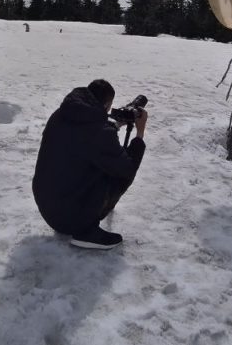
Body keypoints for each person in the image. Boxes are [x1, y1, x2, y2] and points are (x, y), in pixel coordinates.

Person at [32, 79, 147, 250]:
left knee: (98, 163)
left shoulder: (62, 113)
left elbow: (83, 141)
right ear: (107, 104)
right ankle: (86, 231)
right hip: (68, 219)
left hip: (46, 205)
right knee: (119, 170)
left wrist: (114, 126)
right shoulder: (99, 132)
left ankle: (80, 218)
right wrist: (140, 132)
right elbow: (126, 168)